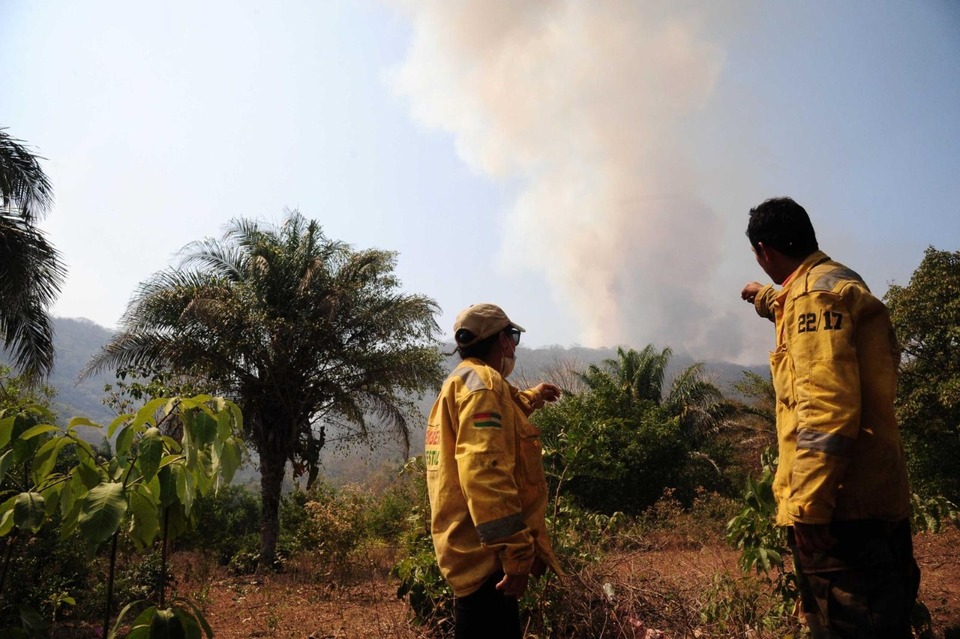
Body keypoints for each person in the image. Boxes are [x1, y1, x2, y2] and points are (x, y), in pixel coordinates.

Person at [740, 197, 920, 638]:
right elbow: (793, 307)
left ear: (764, 250)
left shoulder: (811, 297)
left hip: (840, 514)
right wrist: (762, 296)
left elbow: (826, 408)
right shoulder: (837, 280)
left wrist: (810, 504)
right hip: (876, 496)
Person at [425, 303, 562, 639]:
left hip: (467, 554)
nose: (513, 345)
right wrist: (516, 552)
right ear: (502, 341)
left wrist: (532, 397)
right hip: (490, 563)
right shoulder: (486, 386)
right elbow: (484, 471)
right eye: (512, 337)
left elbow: (498, 423)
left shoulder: (462, 382)